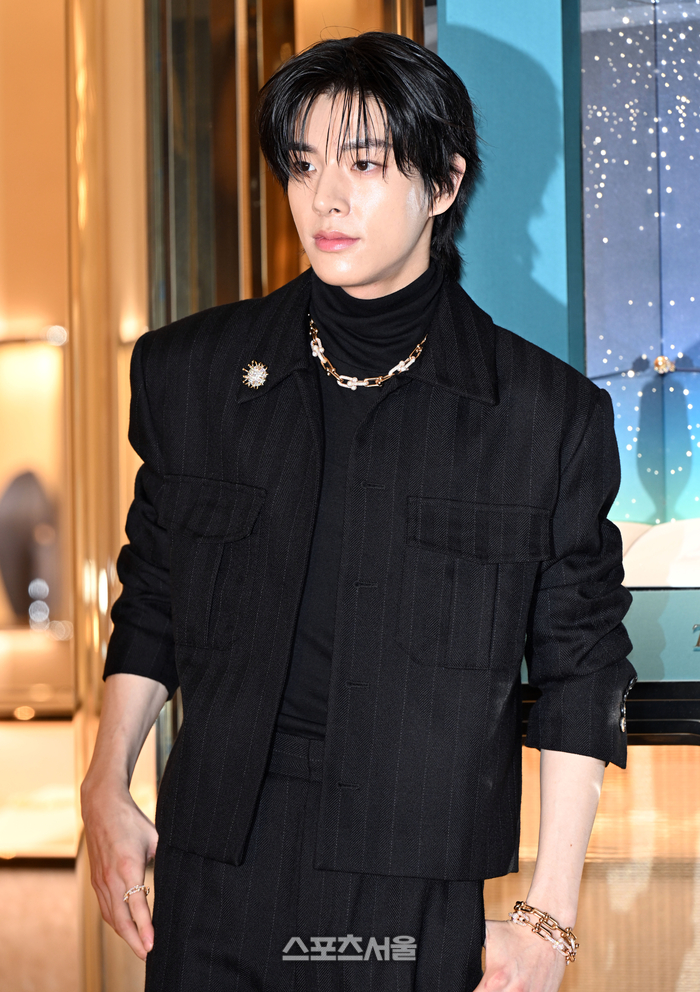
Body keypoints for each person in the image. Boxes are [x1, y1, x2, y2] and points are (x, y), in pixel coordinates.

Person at [80, 31, 637, 992]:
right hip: (216, 870)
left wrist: (548, 915)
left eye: (365, 164)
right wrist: (105, 782)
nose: (325, 198)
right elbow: (155, 593)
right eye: (303, 165)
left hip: (414, 888)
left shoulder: (543, 417)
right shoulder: (192, 375)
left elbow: (581, 671)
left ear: (444, 184)